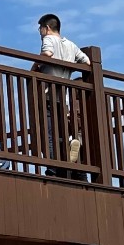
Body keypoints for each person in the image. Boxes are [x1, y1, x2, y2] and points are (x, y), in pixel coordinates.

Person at [35, 14, 91, 178]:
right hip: (63, 96)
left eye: (40, 29)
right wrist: (70, 67)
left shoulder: (48, 40)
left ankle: (53, 167)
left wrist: (34, 66)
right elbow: (87, 62)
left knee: (49, 133)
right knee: (60, 131)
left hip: (48, 94)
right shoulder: (71, 45)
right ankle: (67, 149)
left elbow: (47, 54)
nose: (40, 33)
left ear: (47, 28)